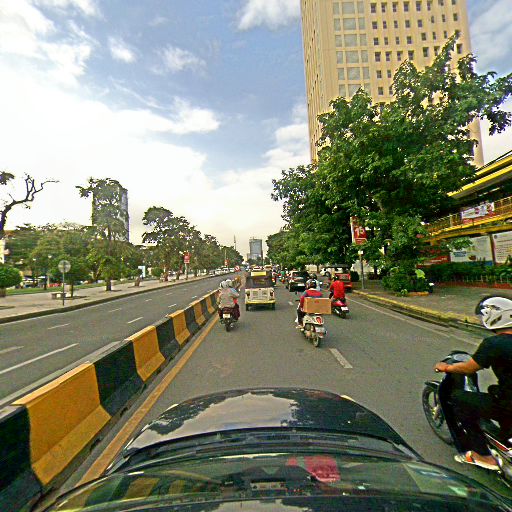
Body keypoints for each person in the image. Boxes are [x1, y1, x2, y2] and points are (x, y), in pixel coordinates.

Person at [434, 296, 512, 470]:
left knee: (458, 398)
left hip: (507, 404)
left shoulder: (494, 344)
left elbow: (469, 368)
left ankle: (483, 455)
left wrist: (447, 367)